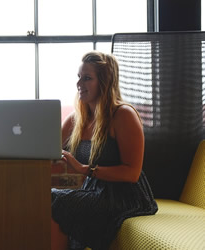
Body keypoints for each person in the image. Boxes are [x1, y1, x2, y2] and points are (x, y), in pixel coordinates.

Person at [51, 51, 158, 250]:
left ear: (105, 82)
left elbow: (132, 173)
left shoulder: (123, 115)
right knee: (47, 196)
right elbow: (49, 150)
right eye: (79, 77)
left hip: (125, 197)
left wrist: (85, 169)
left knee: (54, 199)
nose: (79, 84)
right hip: (92, 192)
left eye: (87, 78)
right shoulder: (77, 119)